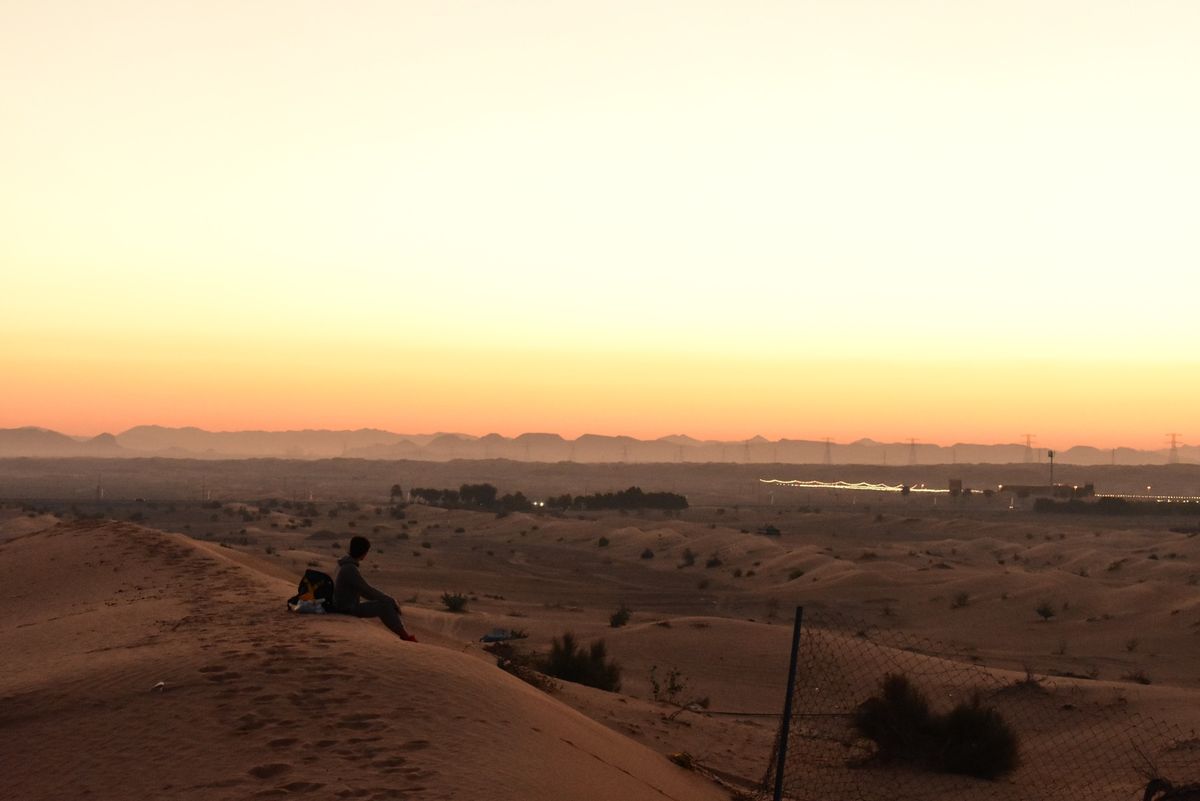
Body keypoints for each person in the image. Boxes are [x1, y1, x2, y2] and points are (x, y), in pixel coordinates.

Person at [333, 535, 417, 642]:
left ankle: (404, 635)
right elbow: (367, 590)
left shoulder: (344, 565)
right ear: (364, 552)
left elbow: (365, 592)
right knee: (384, 607)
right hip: (346, 608)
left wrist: (386, 599)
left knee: (384, 603)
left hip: (343, 606)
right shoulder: (349, 568)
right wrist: (390, 600)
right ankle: (406, 636)